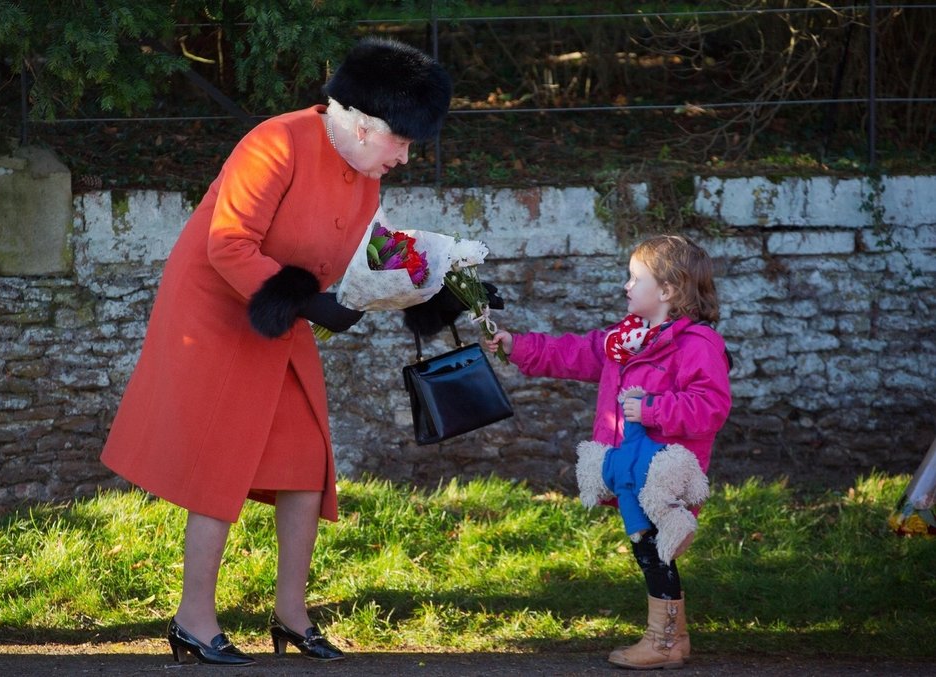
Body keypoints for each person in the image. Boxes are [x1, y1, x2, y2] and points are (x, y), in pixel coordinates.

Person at [100, 38, 451, 666]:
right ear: (364, 124)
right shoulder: (276, 142)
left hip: (279, 312)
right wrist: (313, 305)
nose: (406, 154)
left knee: (304, 460)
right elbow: (229, 244)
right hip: (214, 309)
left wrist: (434, 290)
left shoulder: (367, 178)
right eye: (401, 139)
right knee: (220, 460)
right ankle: (193, 621)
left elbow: (362, 258)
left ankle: (291, 616)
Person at [486, 234, 732, 670]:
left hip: (663, 472)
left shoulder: (697, 344)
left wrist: (652, 408)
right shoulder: (628, 340)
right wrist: (518, 346)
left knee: (654, 548)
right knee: (649, 547)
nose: (626, 286)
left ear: (668, 290)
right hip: (630, 468)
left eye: (635, 278)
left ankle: (665, 642)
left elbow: (711, 406)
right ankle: (671, 639)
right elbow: (576, 353)